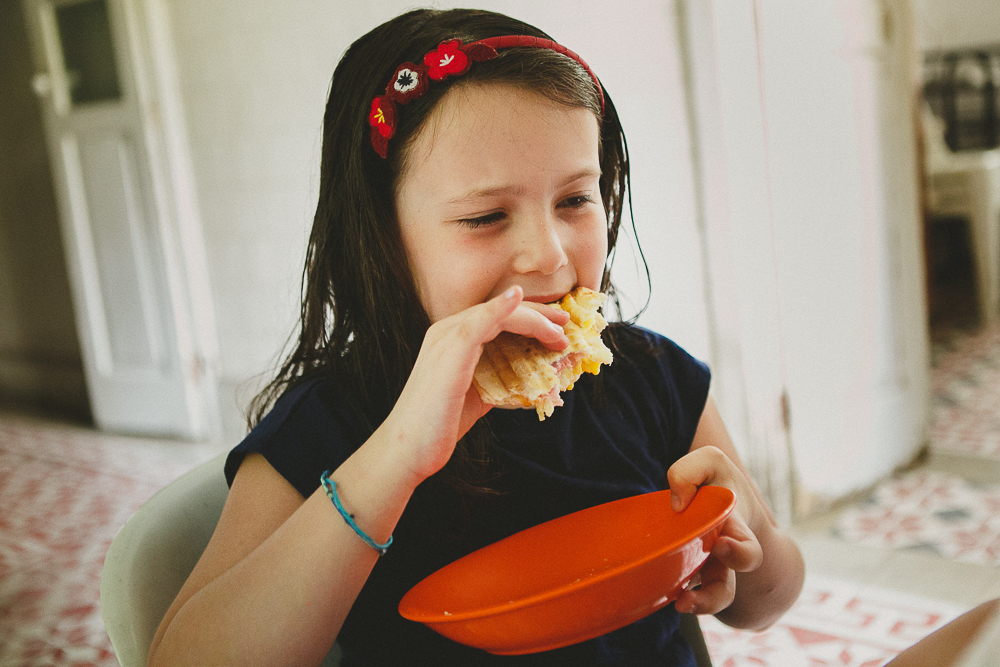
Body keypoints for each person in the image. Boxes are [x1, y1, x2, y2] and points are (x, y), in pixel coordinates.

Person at [147, 8, 805, 666]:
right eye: (486, 216)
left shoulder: (650, 378)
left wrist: (744, 532)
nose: (548, 256)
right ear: (384, 238)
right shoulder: (330, 424)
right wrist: (396, 458)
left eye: (576, 199)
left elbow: (770, 598)